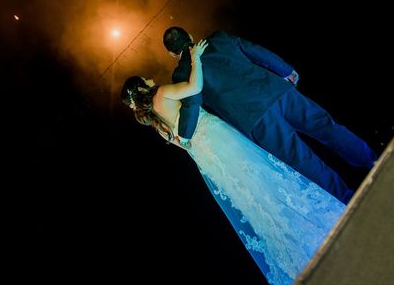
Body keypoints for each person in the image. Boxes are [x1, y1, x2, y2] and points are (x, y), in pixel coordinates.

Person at [120, 42, 346, 285]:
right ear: (141, 87)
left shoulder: (157, 126)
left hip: (205, 157)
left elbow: (184, 143)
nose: (150, 79)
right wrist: (195, 58)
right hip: (218, 138)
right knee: (263, 174)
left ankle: (293, 246)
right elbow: (195, 87)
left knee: (250, 194)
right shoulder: (162, 93)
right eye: (145, 79)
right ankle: (315, 223)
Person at [162, 26, 378, 204]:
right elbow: (255, 50)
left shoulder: (181, 73)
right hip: (276, 91)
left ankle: (348, 199)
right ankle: (372, 160)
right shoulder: (219, 38)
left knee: (302, 159)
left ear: (172, 54)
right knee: (328, 127)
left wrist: (185, 136)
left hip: (256, 119)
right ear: (190, 35)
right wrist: (286, 70)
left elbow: (192, 103)